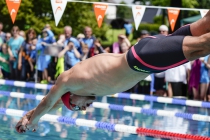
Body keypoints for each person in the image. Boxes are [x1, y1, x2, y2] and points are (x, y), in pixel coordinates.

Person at [16, 10, 210, 133]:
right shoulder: (83, 88)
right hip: (146, 56)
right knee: (205, 24)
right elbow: (55, 104)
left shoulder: (69, 80)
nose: (82, 109)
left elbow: (49, 101)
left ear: (71, 96)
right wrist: (30, 114)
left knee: (203, 45)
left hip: (143, 59)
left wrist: (32, 122)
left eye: (75, 107)